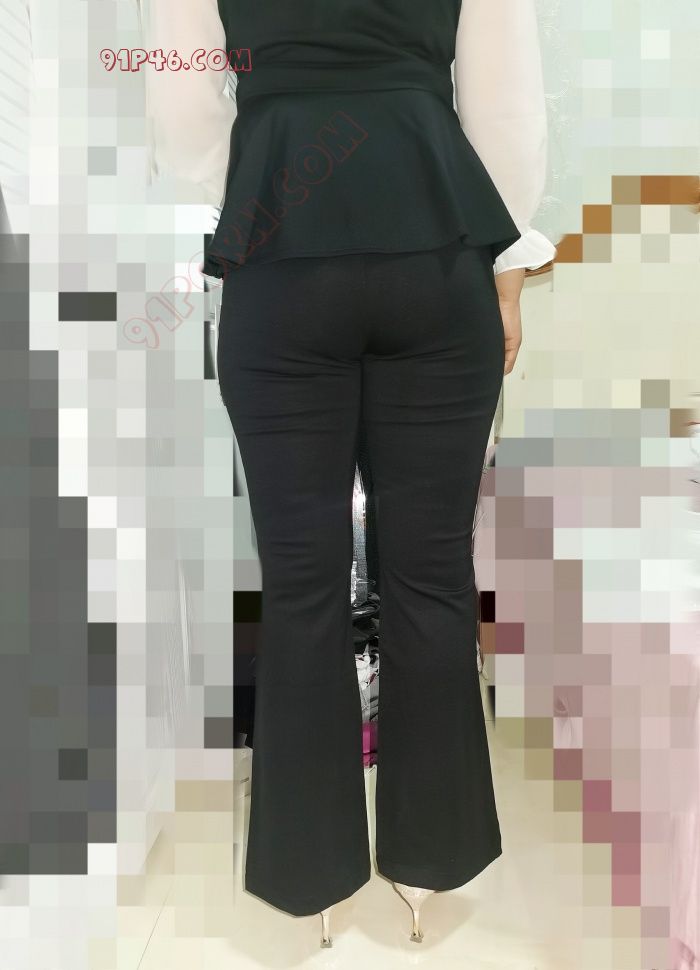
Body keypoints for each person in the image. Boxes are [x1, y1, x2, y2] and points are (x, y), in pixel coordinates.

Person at [141, 0, 557, 947]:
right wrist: (498, 255)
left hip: (281, 253)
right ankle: (430, 867)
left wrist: (264, 175)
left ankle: (312, 878)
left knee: (301, 583)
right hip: (435, 250)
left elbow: (183, 105)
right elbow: (507, 111)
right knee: (432, 575)